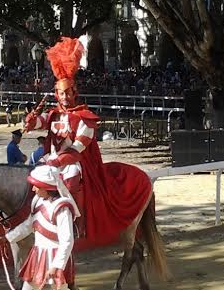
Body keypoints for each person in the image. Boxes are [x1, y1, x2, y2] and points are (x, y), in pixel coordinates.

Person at [23, 37, 152, 243]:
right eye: (61, 93)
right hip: (52, 159)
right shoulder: (53, 114)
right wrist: (30, 121)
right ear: (56, 94)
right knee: (31, 173)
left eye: (68, 92)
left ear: (74, 92)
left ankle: (76, 222)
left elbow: (77, 149)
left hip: (75, 163)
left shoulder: (85, 117)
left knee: (73, 176)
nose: (65, 97)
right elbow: (39, 122)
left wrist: (58, 160)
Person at [3, 165, 79, 290]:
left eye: (37, 186)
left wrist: (58, 265)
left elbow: (67, 240)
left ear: (47, 186)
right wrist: (8, 238)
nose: (34, 190)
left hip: (55, 257)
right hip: (39, 255)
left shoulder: (63, 207)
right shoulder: (37, 201)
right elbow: (30, 225)